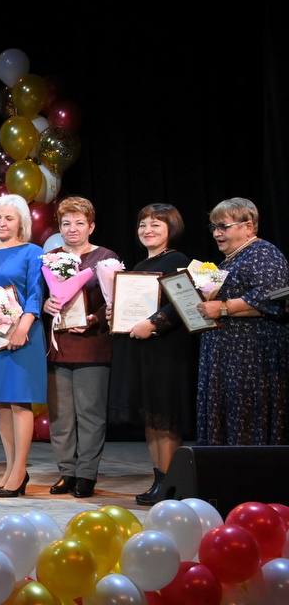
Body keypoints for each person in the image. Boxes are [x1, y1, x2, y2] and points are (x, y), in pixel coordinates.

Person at [106, 204, 194, 505]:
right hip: (144, 352)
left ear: (172, 228)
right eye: (143, 224)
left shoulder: (177, 260)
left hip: (166, 351)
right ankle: (159, 479)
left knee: (165, 417)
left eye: (156, 224)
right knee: (152, 418)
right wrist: (115, 315)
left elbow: (182, 303)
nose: (148, 230)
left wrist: (154, 323)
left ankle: (173, 485)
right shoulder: (142, 264)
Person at [194, 198, 288, 445]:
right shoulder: (229, 260)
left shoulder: (263, 253)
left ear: (248, 226)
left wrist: (224, 307)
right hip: (225, 356)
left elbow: (272, 296)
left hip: (250, 356)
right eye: (213, 227)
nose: (216, 233)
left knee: (247, 419)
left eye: (223, 226)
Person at [42, 196, 118, 499]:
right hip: (59, 345)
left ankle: (86, 474)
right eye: (66, 223)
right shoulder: (51, 258)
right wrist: (47, 304)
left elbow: (114, 300)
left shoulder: (105, 257)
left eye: (79, 223)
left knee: (90, 414)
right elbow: (42, 296)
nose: (72, 228)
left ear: (91, 226)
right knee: (60, 415)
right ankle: (66, 472)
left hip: (93, 344)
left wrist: (94, 318)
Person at [0, 194, 45, 497]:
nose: (2, 223)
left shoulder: (32, 252)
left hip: (22, 335)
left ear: (21, 222)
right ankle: (11, 468)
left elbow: (36, 294)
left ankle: (19, 470)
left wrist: (22, 328)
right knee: (1, 403)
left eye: (9, 218)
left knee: (19, 401)